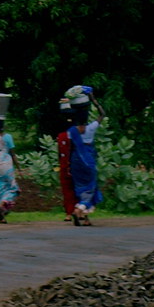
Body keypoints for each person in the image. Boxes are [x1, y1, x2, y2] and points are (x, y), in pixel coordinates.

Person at [67, 91, 106, 226]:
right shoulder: (91, 128)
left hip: (76, 161)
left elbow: (70, 148)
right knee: (90, 187)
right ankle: (79, 209)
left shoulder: (71, 131)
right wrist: (93, 100)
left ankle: (86, 218)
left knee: (80, 188)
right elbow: (102, 114)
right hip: (88, 160)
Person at [56, 98, 78, 223]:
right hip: (74, 165)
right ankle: (77, 210)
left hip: (65, 164)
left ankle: (69, 213)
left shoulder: (61, 136)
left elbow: (59, 153)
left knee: (67, 190)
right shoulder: (77, 135)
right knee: (76, 188)